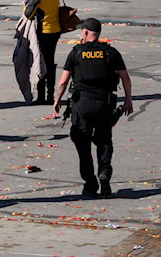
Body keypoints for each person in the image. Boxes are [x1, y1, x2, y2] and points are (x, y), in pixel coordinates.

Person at [52, 18, 133, 198]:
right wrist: (128, 100)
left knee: (83, 144)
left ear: (87, 33)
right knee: (104, 140)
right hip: (104, 104)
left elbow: (64, 80)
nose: (81, 33)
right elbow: (125, 78)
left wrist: (57, 100)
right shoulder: (110, 53)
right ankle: (104, 172)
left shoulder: (76, 53)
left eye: (82, 30)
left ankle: (90, 184)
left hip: (82, 104)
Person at [22, 0, 61, 105]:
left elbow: (28, 14)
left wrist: (25, 4)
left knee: (39, 62)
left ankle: (41, 96)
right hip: (55, 28)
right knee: (50, 62)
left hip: (43, 30)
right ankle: (50, 94)